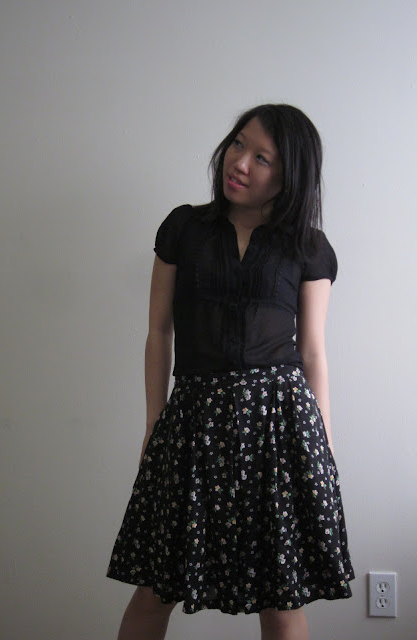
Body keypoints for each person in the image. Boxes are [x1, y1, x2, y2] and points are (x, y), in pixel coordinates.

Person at [106, 104, 355, 640]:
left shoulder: (307, 247)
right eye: (239, 144)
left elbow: (313, 352)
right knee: (155, 589)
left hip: (280, 429)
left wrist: (324, 448)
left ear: (290, 175)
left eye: (262, 157)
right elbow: (159, 332)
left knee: (280, 598)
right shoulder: (184, 228)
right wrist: (153, 424)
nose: (239, 162)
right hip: (194, 423)